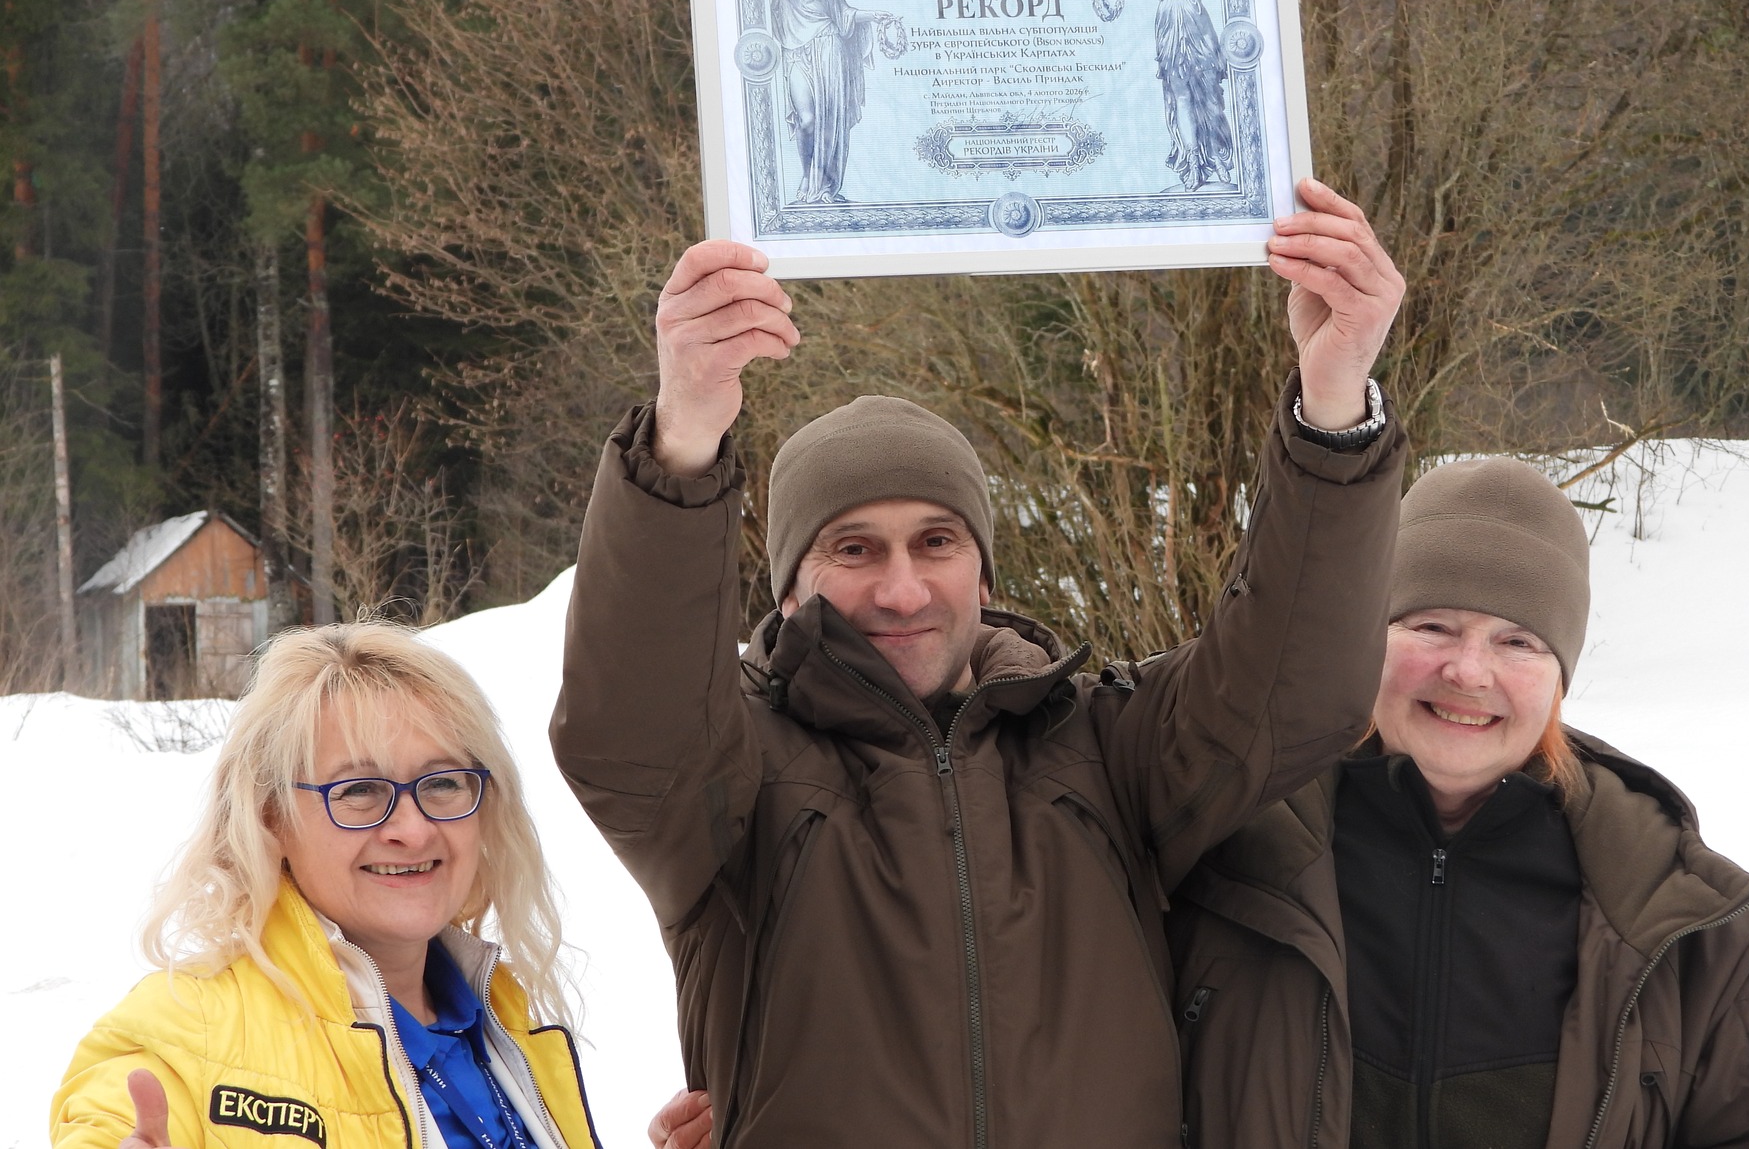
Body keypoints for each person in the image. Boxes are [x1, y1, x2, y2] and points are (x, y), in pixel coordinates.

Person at [551, 178, 1408, 1149]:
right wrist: (684, 436)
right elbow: (630, 733)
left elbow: (1294, 688)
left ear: (985, 572)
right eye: (853, 549)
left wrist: (1334, 404)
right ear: (787, 590)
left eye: (936, 542)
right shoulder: (736, 781)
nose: (902, 589)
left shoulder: (1106, 748)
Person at [1169, 458, 1749, 1149]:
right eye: (1432, 626)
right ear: (1370, 638)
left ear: (1558, 678)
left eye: (1518, 641)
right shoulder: (1223, 855)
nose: (1468, 671)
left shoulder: (1700, 930)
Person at [51, 624, 602, 1149]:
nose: (413, 831)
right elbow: (110, 1121)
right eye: (358, 790)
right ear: (270, 819)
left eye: (441, 783)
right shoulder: (185, 1030)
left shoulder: (506, 1025)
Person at [1103, 0, 1233, 192]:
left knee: (1210, 96)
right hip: (1169, 31)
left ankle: (1216, 157)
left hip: (1198, 29)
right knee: (1181, 96)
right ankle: (1193, 162)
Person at [772, 0, 893, 204]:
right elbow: (771, 13)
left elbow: (843, 15)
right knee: (807, 120)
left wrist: (873, 16)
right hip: (796, 53)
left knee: (829, 121)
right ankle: (806, 175)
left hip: (828, 49)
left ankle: (824, 183)